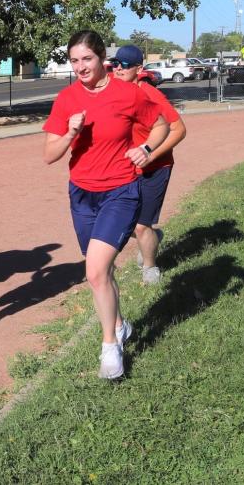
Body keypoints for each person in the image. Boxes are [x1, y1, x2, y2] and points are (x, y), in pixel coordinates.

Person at [43, 31, 169, 380]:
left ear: (102, 59)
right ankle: (121, 325)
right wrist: (69, 134)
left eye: (87, 59)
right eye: (74, 61)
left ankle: (110, 347)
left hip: (121, 192)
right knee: (102, 272)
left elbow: (161, 126)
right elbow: (49, 155)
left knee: (96, 271)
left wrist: (145, 150)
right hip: (82, 195)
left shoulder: (129, 93)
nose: (80, 67)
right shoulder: (66, 99)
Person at [111, 45, 188, 285]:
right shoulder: (116, 91)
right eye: (116, 64)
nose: (119, 69)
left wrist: (151, 155)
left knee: (142, 225)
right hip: (127, 168)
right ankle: (153, 237)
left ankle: (150, 267)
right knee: (123, 221)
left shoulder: (150, 94)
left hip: (155, 167)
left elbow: (179, 130)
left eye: (125, 65)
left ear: (139, 68)